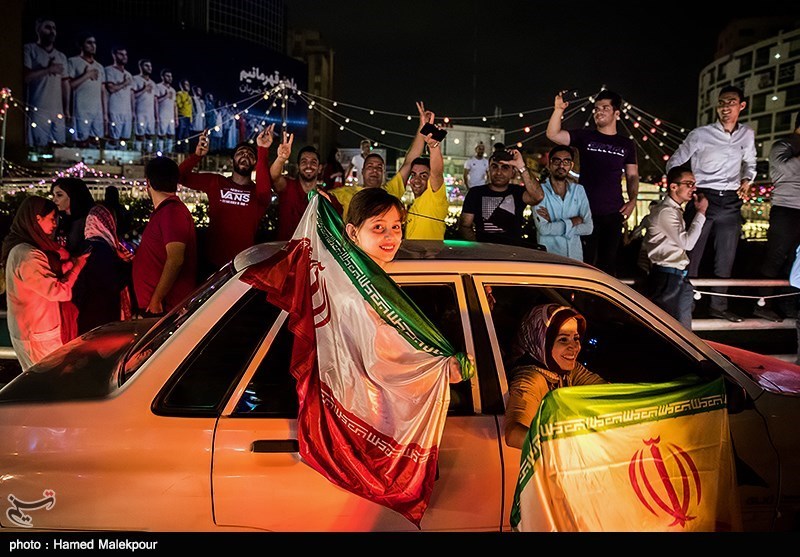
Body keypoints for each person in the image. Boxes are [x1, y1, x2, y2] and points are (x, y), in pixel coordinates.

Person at [666, 85, 756, 323]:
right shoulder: (700, 134)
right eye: (722, 102)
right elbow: (675, 161)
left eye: (731, 102)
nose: (726, 107)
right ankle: (685, 306)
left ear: (741, 106)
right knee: (691, 254)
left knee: (726, 257)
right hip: (703, 196)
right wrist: (685, 188)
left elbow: (751, 162)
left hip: (731, 200)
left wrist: (748, 178)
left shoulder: (747, 134)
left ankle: (719, 305)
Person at [546, 89, 639, 277]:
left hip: (614, 213)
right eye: (596, 108)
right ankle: (580, 302)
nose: (599, 111)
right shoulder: (585, 137)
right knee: (584, 262)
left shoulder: (626, 144)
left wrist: (633, 201)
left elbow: (632, 176)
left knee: (609, 264)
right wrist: (558, 110)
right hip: (584, 211)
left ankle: (604, 304)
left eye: (605, 108)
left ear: (617, 113)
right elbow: (553, 134)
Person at [2, 196, 90, 370]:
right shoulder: (28, 255)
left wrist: (69, 264)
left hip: (31, 332)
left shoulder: (23, 249)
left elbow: (44, 277)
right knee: (50, 383)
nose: (55, 224)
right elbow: (59, 291)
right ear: (37, 219)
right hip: (38, 335)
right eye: (52, 219)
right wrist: (78, 266)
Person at [503, 303, 606, 449]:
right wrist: (563, 447)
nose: (574, 347)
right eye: (563, 339)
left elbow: (606, 390)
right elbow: (513, 435)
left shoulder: (565, 370)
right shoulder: (531, 378)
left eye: (576, 338)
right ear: (542, 340)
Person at [179, 125, 273, 276]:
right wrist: (197, 156)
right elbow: (179, 177)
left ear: (255, 164)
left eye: (250, 155)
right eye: (240, 153)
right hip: (211, 264)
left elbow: (265, 195)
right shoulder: (215, 182)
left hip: (242, 267)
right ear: (232, 161)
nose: (245, 156)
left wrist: (262, 150)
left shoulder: (258, 194)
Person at [331, 102, 433, 220]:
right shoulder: (345, 194)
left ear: (383, 173)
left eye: (379, 167)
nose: (375, 170)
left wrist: (422, 126)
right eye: (370, 167)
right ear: (362, 171)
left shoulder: (390, 192)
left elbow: (410, 161)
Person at [643, 167, 708, 330]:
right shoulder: (666, 212)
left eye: (694, 184)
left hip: (676, 276)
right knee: (671, 333)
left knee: (683, 333)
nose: (693, 188)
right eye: (689, 184)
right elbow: (687, 243)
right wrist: (701, 212)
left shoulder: (674, 210)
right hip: (667, 277)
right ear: (673, 186)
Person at [132, 156, 197, 316]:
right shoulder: (166, 212)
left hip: (163, 307)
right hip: (157, 306)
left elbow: (175, 259)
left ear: (147, 183)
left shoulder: (172, 212)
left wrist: (156, 299)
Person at [754, 112, 800, 322]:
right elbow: (785, 169)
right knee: (775, 256)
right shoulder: (782, 145)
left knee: (795, 260)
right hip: (785, 208)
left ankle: (787, 303)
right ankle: (762, 303)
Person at [459, 147, 544, 246]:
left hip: (513, 253)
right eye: (494, 167)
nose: (499, 172)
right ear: (488, 170)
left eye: (505, 167)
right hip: (484, 255)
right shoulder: (475, 193)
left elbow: (538, 196)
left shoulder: (518, 192)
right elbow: (465, 226)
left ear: (512, 172)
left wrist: (521, 166)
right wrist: (479, 249)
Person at [266, 133, 343, 241]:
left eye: (313, 162)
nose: (308, 166)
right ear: (298, 166)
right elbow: (274, 177)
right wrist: (281, 159)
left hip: (314, 255)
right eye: (304, 162)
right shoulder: (288, 187)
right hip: (285, 252)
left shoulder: (326, 197)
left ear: (320, 168)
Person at [72, 204, 133, 335]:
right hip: (102, 316)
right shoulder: (102, 249)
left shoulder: (83, 246)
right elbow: (114, 282)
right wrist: (125, 264)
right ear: (107, 223)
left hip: (85, 313)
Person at [533, 145, 593, 260]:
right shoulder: (539, 191)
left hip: (575, 259)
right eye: (557, 161)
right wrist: (573, 221)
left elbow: (588, 228)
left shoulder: (578, 191)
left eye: (566, 162)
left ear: (571, 166)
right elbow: (544, 229)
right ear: (549, 164)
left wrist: (554, 224)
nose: (561, 166)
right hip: (549, 259)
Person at [23, 18, 68, 148]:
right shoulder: (29, 49)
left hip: (57, 111)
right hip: (38, 108)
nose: (52, 31)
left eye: (54, 28)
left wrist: (66, 109)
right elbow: (26, 77)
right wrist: (49, 70)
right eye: (48, 27)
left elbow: (65, 85)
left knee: (59, 147)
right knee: (39, 147)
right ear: (38, 30)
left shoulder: (61, 56)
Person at [404, 131, 449, 240]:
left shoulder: (435, 198)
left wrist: (433, 146)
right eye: (413, 175)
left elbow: (437, 173)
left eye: (423, 176)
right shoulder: (413, 206)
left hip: (431, 257)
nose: (417, 180)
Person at [66, 34, 106, 148]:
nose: (93, 46)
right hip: (81, 109)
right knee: (81, 142)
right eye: (89, 43)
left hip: (97, 110)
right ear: (81, 45)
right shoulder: (73, 61)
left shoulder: (99, 66)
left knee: (96, 141)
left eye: (94, 43)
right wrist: (87, 74)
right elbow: (70, 85)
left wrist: (104, 113)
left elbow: (103, 91)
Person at [50, 177, 96, 255]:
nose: (54, 200)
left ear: (73, 195)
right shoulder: (57, 219)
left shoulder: (89, 222)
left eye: (59, 195)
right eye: (53, 195)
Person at [103, 46, 134, 150]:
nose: (124, 57)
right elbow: (111, 88)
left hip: (127, 111)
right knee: (113, 138)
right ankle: (109, 161)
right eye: (121, 54)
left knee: (124, 139)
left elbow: (131, 95)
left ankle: (123, 161)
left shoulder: (128, 74)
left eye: (125, 54)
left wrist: (133, 111)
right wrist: (125, 83)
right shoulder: (109, 70)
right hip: (115, 109)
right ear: (114, 55)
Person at [132, 59, 157, 153]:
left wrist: (156, 115)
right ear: (141, 67)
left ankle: (148, 154)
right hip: (140, 112)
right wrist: (144, 89)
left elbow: (155, 101)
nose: (149, 68)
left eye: (150, 66)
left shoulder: (153, 83)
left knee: (150, 135)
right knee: (139, 135)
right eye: (146, 66)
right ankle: (138, 154)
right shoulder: (135, 79)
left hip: (150, 114)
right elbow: (133, 95)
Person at [155, 68, 177, 154]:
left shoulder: (173, 90)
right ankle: (159, 152)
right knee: (161, 135)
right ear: (162, 77)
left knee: (170, 136)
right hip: (162, 115)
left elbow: (174, 105)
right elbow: (156, 101)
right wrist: (165, 96)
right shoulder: (158, 87)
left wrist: (176, 118)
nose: (170, 78)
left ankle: (169, 153)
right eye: (167, 76)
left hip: (171, 116)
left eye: (171, 76)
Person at [175, 78, 192, 152]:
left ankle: (185, 151)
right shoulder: (179, 94)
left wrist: (191, 118)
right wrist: (185, 101)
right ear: (181, 85)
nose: (188, 86)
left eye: (188, 84)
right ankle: (178, 151)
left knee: (186, 137)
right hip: (181, 117)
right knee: (180, 136)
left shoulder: (189, 96)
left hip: (188, 118)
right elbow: (179, 105)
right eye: (186, 84)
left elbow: (190, 109)